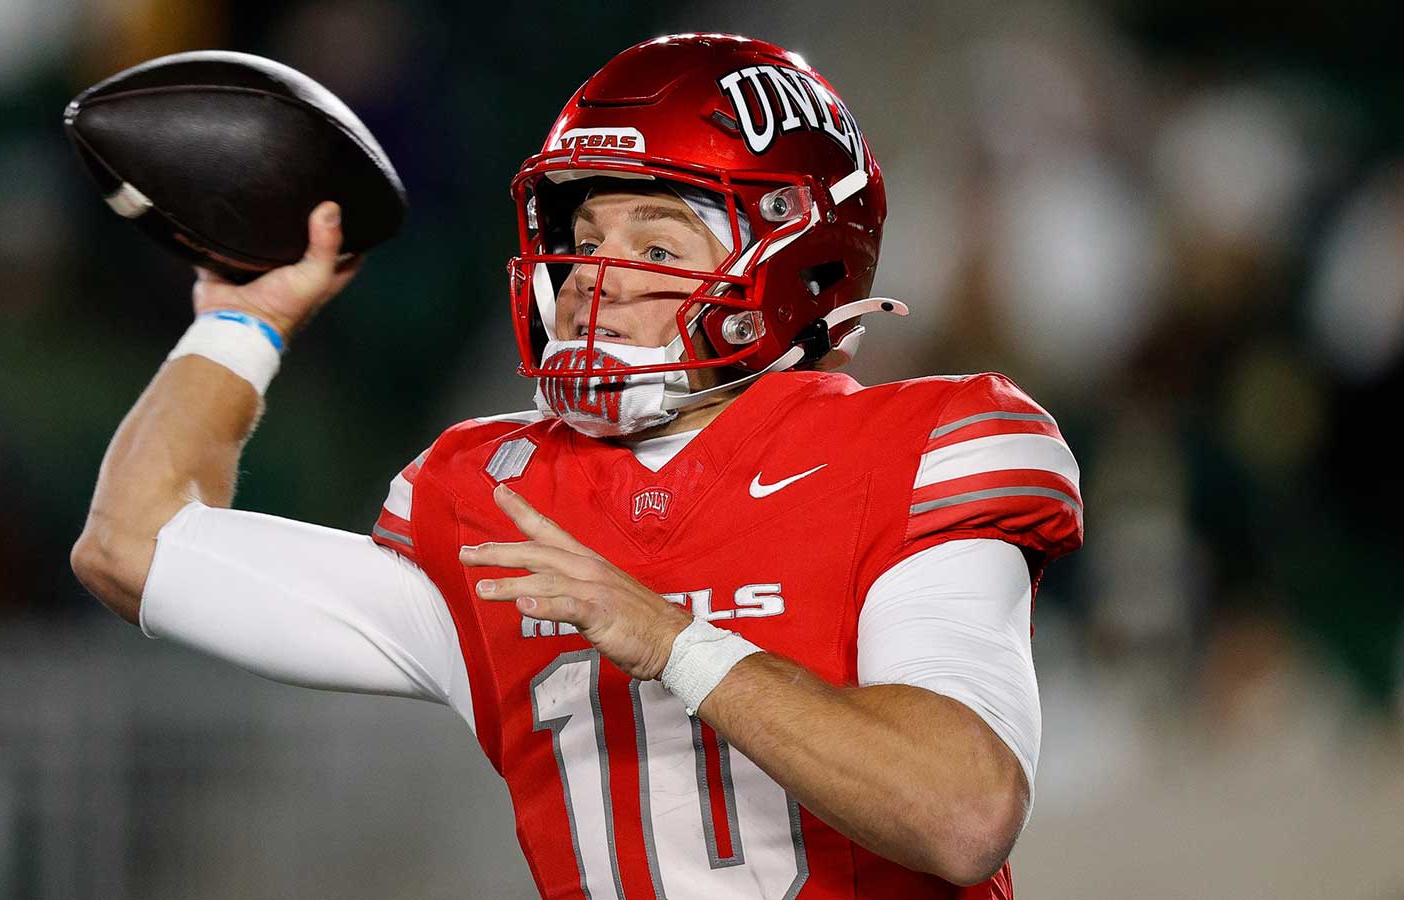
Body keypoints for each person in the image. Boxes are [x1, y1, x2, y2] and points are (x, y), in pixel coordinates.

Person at [72, 33, 1082, 899]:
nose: (596, 275)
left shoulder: (917, 447)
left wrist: (669, 639)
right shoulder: (496, 494)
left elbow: (961, 811)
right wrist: (243, 321)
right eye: (585, 235)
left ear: (791, 259)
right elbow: (133, 546)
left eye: (658, 236)